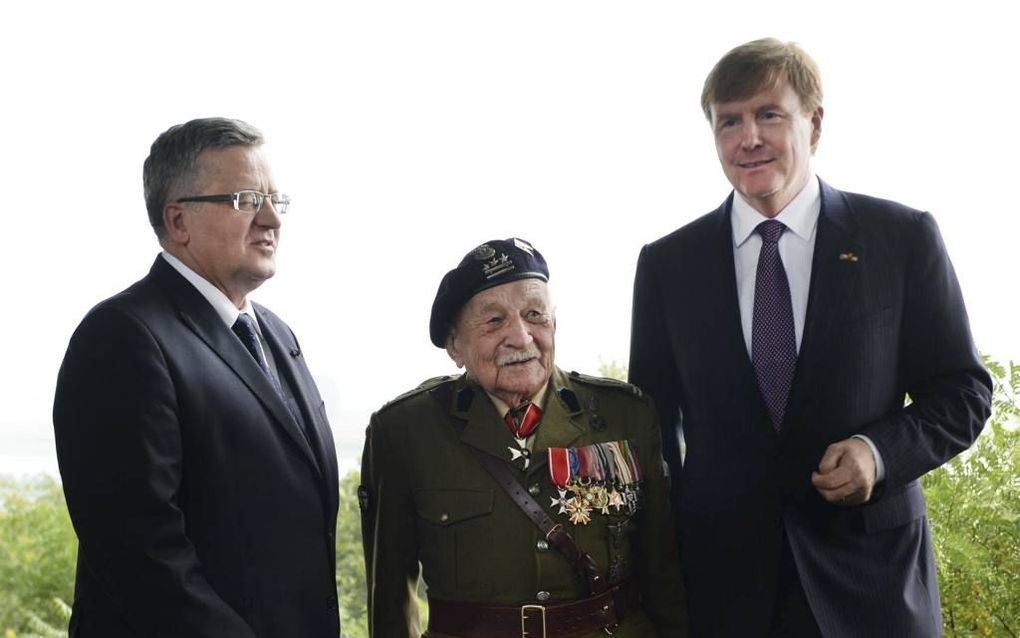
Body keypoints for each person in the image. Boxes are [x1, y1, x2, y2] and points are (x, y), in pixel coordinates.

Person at [628, 38, 993, 637]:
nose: (748, 138)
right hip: (722, 596)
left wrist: (879, 454)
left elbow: (964, 393)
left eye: (769, 114)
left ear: (814, 123)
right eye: (729, 121)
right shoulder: (668, 265)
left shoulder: (901, 239)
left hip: (872, 587)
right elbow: (652, 429)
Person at [53, 118, 340, 637]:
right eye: (247, 199)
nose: (272, 218)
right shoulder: (123, 337)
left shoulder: (276, 334)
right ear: (178, 220)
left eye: (276, 199)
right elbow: (140, 553)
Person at [360, 238, 688, 637]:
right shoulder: (405, 432)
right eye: (494, 321)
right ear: (453, 345)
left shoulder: (626, 416)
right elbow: (391, 603)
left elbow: (665, 579)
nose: (521, 336)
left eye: (535, 315)